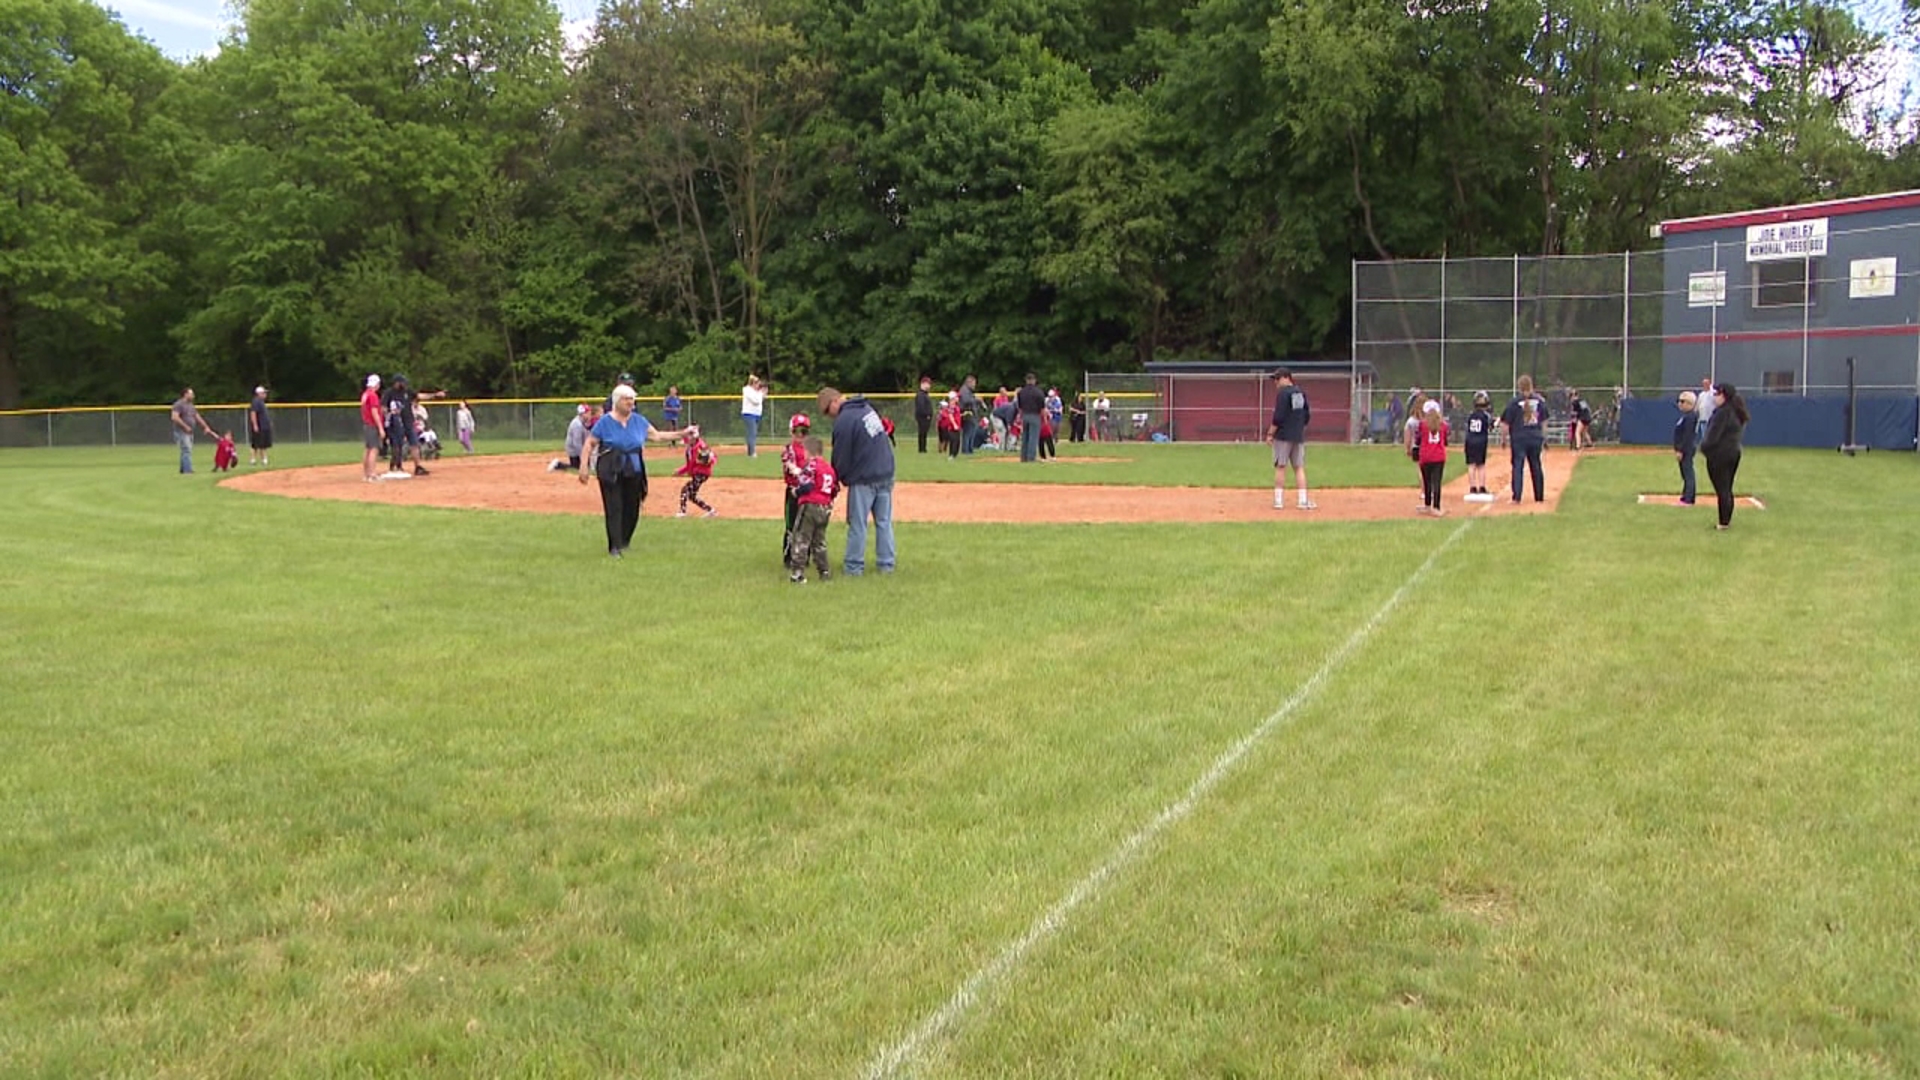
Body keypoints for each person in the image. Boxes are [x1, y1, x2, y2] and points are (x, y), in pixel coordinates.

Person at [577, 383, 685, 557]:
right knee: (614, 506)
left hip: (633, 465)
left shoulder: (638, 420)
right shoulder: (605, 421)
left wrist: (683, 433)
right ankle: (614, 546)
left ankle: (623, 540)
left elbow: (657, 436)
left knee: (632, 506)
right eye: (627, 399)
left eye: (632, 399)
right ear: (617, 401)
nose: (631, 402)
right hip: (610, 465)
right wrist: (584, 466)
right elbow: (590, 443)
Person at [819, 385, 896, 576]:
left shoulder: (845, 420)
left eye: (829, 411)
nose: (831, 416)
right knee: (884, 522)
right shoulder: (867, 409)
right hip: (886, 472)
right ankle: (886, 565)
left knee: (857, 523)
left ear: (835, 401)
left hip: (865, 478)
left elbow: (841, 457)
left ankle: (854, 567)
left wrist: (837, 479)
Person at [788, 435, 839, 583]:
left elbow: (807, 485)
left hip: (810, 505)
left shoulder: (811, 465)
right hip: (826, 507)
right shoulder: (829, 469)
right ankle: (824, 571)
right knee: (819, 541)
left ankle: (797, 573)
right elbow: (835, 489)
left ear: (809, 451)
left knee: (801, 539)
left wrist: (796, 492)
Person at [1699, 382, 1749, 530]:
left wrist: (1704, 448)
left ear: (1724, 395)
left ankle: (1723, 522)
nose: (1714, 397)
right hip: (1734, 452)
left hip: (1719, 455)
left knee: (1722, 489)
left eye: (1716, 394)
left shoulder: (1722, 413)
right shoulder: (1737, 412)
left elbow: (1713, 436)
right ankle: (1726, 520)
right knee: (1727, 488)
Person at [1266, 367, 1314, 510]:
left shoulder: (1283, 394)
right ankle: (1303, 500)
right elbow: (1306, 415)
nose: (1275, 382)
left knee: (1281, 466)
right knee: (1299, 467)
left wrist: (1270, 433)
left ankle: (1278, 501)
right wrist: (1299, 428)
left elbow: (1278, 417)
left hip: (1283, 436)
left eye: (1277, 378)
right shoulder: (1300, 392)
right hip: (1297, 436)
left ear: (1287, 377)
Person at [1501, 374, 1549, 503]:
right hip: (1535, 437)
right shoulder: (1539, 401)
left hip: (1519, 438)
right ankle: (1539, 496)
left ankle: (1516, 497)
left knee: (1518, 466)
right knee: (1536, 465)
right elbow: (1544, 422)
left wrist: (1504, 439)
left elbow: (1505, 423)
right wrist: (1544, 438)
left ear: (1519, 387)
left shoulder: (1514, 403)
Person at [781, 413, 812, 562]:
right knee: (791, 524)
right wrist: (800, 472)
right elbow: (789, 464)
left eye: (804, 431)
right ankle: (789, 556)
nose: (800, 435)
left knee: (807, 525)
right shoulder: (789, 449)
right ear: (791, 432)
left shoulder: (811, 449)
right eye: (796, 431)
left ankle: (804, 556)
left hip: (808, 492)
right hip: (794, 491)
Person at [170, 387, 217, 474]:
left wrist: (206, 427)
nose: (193, 396)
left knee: (186, 450)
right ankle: (188, 470)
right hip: (181, 431)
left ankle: (183, 469)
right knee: (186, 449)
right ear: (185, 394)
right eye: (191, 394)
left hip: (189, 431)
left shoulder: (191, 405)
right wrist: (185, 427)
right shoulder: (178, 404)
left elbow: (197, 417)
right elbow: (174, 417)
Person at [674, 424, 717, 518]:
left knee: (685, 490)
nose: (686, 441)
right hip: (697, 473)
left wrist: (707, 460)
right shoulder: (690, 448)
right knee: (692, 496)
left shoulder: (700, 446)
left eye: (688, 437)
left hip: (701, 474)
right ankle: (711, 510)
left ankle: (682, 512)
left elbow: (713, 458)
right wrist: (680, 471)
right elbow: (690, 464)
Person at [1415, 399, 1448, 516]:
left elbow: (1418, 440)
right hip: (1439, 457)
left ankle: (1428, 505)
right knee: (1436, 482)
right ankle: (1436, 506)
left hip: (1425, 457)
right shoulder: (1443, 425)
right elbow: (1445, 441)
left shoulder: (1422, 425)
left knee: (1427, 481)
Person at [1463, 390, 1494, 497]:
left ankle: (1472, 487)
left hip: (1470, 440)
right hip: (1481, 441)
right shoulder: (1486, 416)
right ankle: (1481, 487)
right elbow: (1490, 428)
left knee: (1471, 464)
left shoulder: (1471, 415)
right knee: (1480, 465)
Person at [1673, 390, 1700, 505]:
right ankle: (1686, 496)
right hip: (1685, 448)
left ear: (1690, 403)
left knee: (1688, 473)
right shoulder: (1686, 416)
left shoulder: (1690, 417)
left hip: (1686, 449)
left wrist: (1681, 450)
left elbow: (1687, 436)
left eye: (1682, 401)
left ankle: (1688, 498)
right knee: (1685, 473)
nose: (1680, 404)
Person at [549, 404, 591, 472]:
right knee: (576, 469)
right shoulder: (577, 425)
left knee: (585, 467)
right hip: (574, 451)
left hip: (580, 449)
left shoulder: (585, 422)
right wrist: (583, 456)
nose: (589, 414)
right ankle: (558, 465)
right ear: (582, 414)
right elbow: (576, 443)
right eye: (587, 413)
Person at [360, 375, 386, 481]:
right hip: (372, 425)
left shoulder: (365, 394)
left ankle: (366, 474)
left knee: (367, 449)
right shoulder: (373, 395)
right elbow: (374, 412)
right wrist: (380, 427)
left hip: (366, 424)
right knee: (374, 449)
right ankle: (372, 474)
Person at [1015, 372, 1046, 463]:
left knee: (1025, 437)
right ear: (1034, 380)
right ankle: (1031, 458)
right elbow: (1042, 408)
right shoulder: (1038, 392)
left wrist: (1021, 417)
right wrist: (1044, 419)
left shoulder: (1021, 392)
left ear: (1026, 381)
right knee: (1033, 437)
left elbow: (1020, 407)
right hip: (1035, 416)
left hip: (1025, 415)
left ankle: (1023, 457)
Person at [741, 374, 767, 457]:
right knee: (752, 433)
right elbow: (756, 401)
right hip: (749, 414)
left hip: (756, 414)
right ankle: (752, 452)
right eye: (756, 383)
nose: (758, 385)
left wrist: (763, 393)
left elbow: (760, 400)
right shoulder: (747, 390)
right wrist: (761, 393)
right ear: (752, 383)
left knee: (752, 433)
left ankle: (750, 452)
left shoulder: (756, 391)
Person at [247, 386, 273, 466]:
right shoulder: (256, 401)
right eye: (263, 393)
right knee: (257, 444)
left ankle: (261, 459)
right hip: (260, 426)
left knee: (262, 444)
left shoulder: (261, 402)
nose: (265, 394)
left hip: (264, 426)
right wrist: (255, 425)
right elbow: (253, 413)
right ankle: (256, 459)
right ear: (259, 394)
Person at [957, 375, 981, 454]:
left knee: (971, 433)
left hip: (971, 415)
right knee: (967, 434)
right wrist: (975, 399)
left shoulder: (968, 391)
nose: (974, 385)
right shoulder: (964, 390)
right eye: (974, 383)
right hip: (967, 415)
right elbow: (966, 401)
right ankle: (966, 450)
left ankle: (970, 450)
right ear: (969, 382)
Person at [913, 376, 934, 454]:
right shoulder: (920, 395)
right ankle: (922, 449)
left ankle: (923, 448)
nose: (928, 386)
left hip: (925, 417)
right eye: (927, 384)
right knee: (922, 433)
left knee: (924, 433)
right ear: (922, 384)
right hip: (922, 417)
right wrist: (926, 415)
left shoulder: (925, 394)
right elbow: (921, 407)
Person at [938, 392, 961, 458]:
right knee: (954, 441)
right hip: (952, 427)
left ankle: (954, 455)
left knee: (957, 441)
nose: (958, 398)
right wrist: (954, 425)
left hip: (957, 427)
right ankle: (951, 455)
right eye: (956, 397)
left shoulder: (956, 407)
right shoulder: (951, 407)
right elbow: (950, 416)